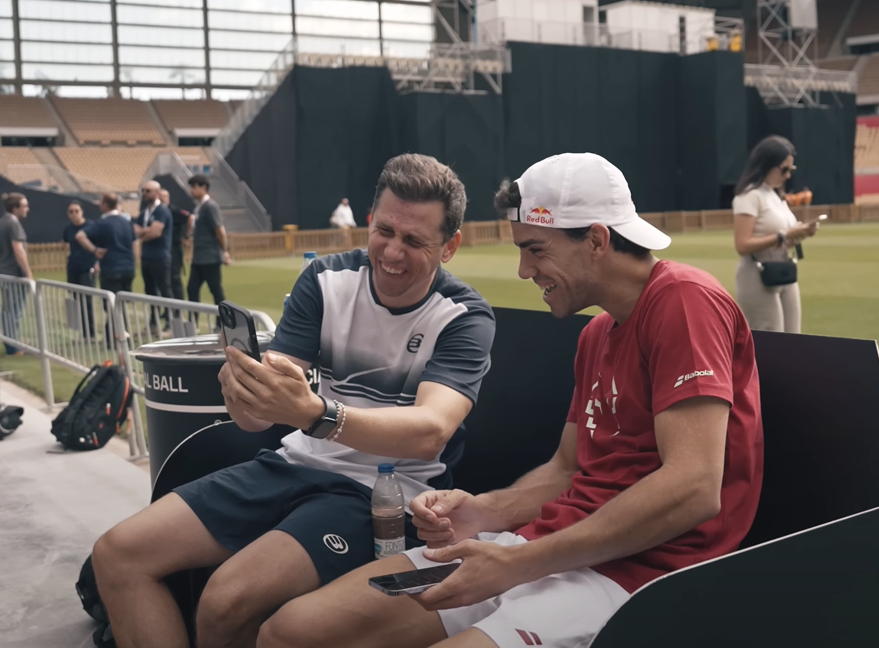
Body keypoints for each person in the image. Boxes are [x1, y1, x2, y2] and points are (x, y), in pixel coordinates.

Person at [258, 152, 763, 648]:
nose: (524, 270)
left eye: (536, 249)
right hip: (546, 548)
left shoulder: (685, 299)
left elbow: (695, 486)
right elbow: (567, 471)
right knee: (291, 631)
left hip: (637, 576)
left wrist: (518, 564)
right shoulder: (597, 334)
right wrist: (481, 512)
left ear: (596, 240)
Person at [91, 153, 496, 648]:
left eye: (414, 241)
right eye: (384, 231)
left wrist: (315, 414)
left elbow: (432, 430)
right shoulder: (325, 279)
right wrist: (244, 391)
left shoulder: (463, 315)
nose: (392, 252)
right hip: (293, 463)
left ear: (450, 246)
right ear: (369, 220)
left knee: (224, 599)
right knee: (117, 554)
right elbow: (259, 417)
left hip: (384, 492)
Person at [731, 135, 818, 334]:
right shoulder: (750, 196)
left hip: (784, 270)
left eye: (791, 169)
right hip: (757, 274)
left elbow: (787, 233)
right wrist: (784, 235)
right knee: (770, 338)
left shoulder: (777, 196)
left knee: (793, 338)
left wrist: (802, 232)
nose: (788, 175)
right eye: (784, 169)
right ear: (766, 165)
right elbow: (742, 245)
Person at [75, 193, 138, 343]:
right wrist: (134, 261)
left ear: (105, 205)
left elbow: (80, 236)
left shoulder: (101, 224)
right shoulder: (127, 222)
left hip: (111, 267)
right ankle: (116, 334)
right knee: (121, 303)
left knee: (111, 304)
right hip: (127, 267)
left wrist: (94, 250)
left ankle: (118, 336)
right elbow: (135, 244)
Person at [0, 192, 32, 357]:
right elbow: (18, 250)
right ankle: (12, 347)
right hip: (14, 274)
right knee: (14, 311)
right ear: (15, 208)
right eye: (24, 206)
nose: (27, 209)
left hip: (5, 272)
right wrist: (28, 274)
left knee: (8, 310)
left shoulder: (1, 222)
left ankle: (11, 344)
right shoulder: (13, 224)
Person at [135, 180, 175, 332]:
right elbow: (136, 229)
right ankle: (153, 321)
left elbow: (156, 232)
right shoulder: (145, 212)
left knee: (165, 289)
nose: (145, 194)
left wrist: (143, 233)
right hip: (147, 256)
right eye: (143, 191)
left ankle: (170, 322)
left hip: (160, 256)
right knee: (150, 290)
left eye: (148, 191)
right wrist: (146, 231)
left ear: (157, 193)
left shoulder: (162, 211)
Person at [186, 174, 228, 310]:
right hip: (199, 257)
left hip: (210, 257)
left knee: (215, 290)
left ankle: (222, 322)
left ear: (203, 187)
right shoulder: (199, 207)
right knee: (192, 289)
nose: (191, 190)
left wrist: (224, 251)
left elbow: (220, 230)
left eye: (194, 187)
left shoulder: (210, 206)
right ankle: (194, 322)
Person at [63, 202, 98, 340]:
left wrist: (97, 262)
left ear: (82, 212)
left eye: (76, 211)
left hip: (87, 267)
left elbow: (99, 244)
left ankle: (91, 333)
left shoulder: (90, 226)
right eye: (71, 211)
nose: (74, 214)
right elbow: (66, 244)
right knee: (76, 300)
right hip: (73, 267)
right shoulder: (68, 229)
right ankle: (83, 332)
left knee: (87, 300)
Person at [162, 188, 193, 302]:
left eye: (163, 196)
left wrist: (187, 236)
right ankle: (168, 308)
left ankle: (179, 305)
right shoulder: (157, 211)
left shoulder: (174, 210)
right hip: (163, 248)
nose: (161, 199)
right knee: (164, 280)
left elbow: (190, 217)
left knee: (174, 277)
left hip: (174, 248)